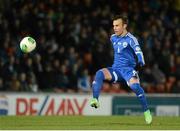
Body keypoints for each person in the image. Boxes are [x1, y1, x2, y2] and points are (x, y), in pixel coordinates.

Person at [90, 15, 152, 124]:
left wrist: (141, 60)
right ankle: (95, 99)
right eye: (114, 25)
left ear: (124, 26)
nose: (115, 28)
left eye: (117, 25)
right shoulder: (113, 37)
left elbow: (138, 51)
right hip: (116, 69)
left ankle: (146, 111)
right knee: (99, 73)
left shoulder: (131, 39)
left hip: (128, 70)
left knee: (135, 87)